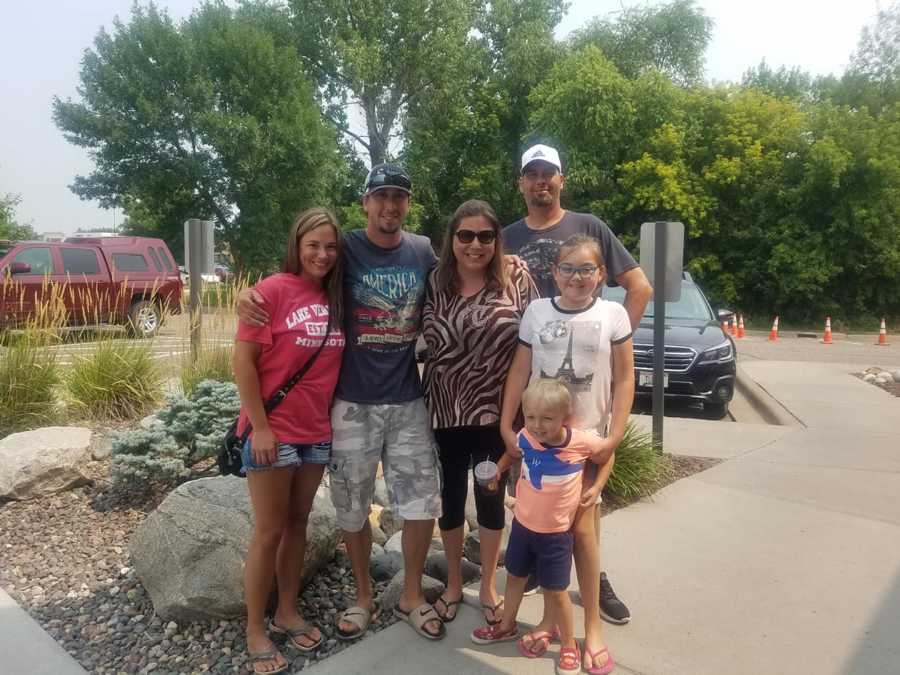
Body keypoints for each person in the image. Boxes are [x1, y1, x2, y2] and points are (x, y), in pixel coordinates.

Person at [236, 164, 446, 642]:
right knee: (351, 508)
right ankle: (363, 596)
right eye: (381, 197)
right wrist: (245, 296)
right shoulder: (345, 246)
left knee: (418, 502)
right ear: (366, 202)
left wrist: (508, 263)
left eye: (399, 197)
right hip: (351, 404)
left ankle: (412, 594)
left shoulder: (421, 250)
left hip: (408, 400)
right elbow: (299, 272)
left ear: (407, 204)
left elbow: (462, 270)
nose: (389, 206)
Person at [503, 143, 651, 629]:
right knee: (540, 509)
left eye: (549, 174)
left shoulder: (589, 228)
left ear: (562, 179)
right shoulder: (504, 238)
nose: (541, 182)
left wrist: (610, 339)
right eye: (532, 174)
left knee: (585, 515)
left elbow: (640, 286)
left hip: (584, 416)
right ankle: (547, 604)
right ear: (521, 182)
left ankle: (590, 585)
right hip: (535, 405)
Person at [500, 234, 635, 674]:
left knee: (583, 536)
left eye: (586, 270)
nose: (577, 278)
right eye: (568, 269)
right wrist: (508, 423)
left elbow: (624, 376)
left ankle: (591, 627)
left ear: (601, 275)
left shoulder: (612, 314)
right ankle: (549, 621)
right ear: (554, 273)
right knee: (545, 533)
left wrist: (614, 434)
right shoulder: (537, 312)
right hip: (542, 438)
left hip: (586, 441)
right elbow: (521, 369)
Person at [233, 208, 346, 675]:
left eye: (330, 246)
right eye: (313, 245)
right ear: (297, 246)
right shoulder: (272, 292)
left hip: (316, 433)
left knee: (298, 523)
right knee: (268, 531)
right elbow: (243, 364)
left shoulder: (337, 297)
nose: (322, 254)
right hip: (273, 432)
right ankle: (255, 628)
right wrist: (259, 426)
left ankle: (287, 611)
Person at [421, 199, 538, 627]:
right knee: (451, 496)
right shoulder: (434, 280)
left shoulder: (515, 276)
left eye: (485, 236)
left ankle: (487, 583)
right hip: (446, 410)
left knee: (489, 497)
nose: (475, 244)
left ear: (496, 240)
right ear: (451, 239)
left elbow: (536, 337)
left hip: (496, 412)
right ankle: (454, 582)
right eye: (465, 235)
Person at [471, 378, 614, 675]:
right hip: (523, 527)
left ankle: (569, 645)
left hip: (557, 535)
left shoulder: (580, 441)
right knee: (514, 578)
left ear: (564, 416)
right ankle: (507, 624)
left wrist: (596, 486)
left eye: (547, 418)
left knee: (556, 591)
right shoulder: (526, 436)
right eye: (531, 417)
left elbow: (607, 455)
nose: (537, 425)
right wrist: (497, 471)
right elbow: (512, 453)